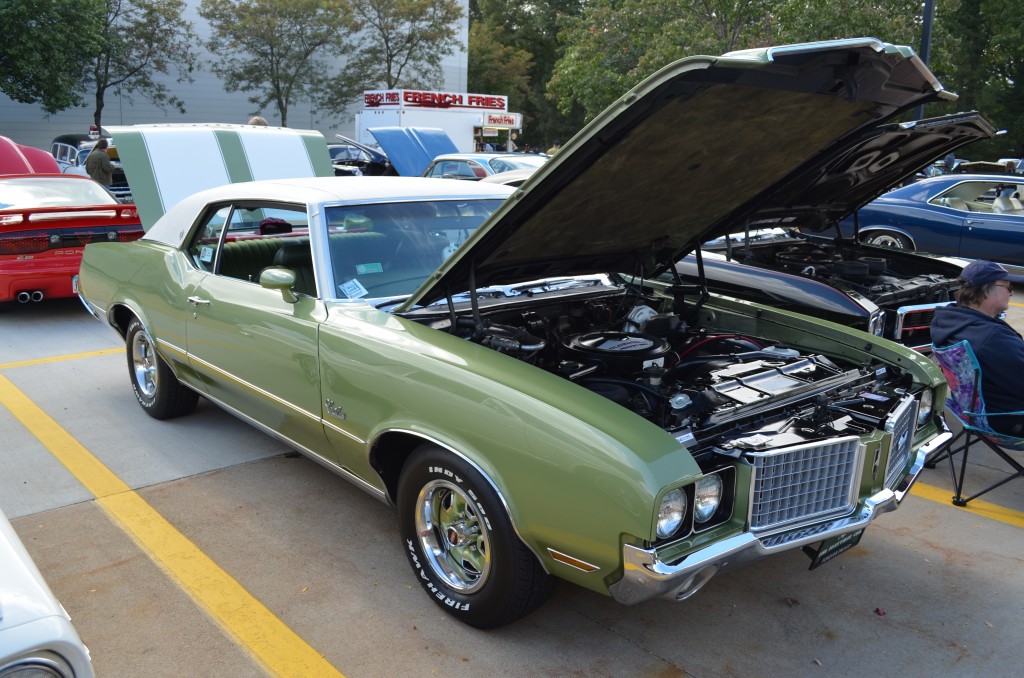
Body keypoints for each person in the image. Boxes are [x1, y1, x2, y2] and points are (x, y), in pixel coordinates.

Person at [931, 260, 1024, 435]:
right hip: (1009, 419)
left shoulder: (951, 323)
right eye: (1008, 287)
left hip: (973, 414)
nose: (1011, 293)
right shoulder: (992, 338)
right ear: (985, 293)